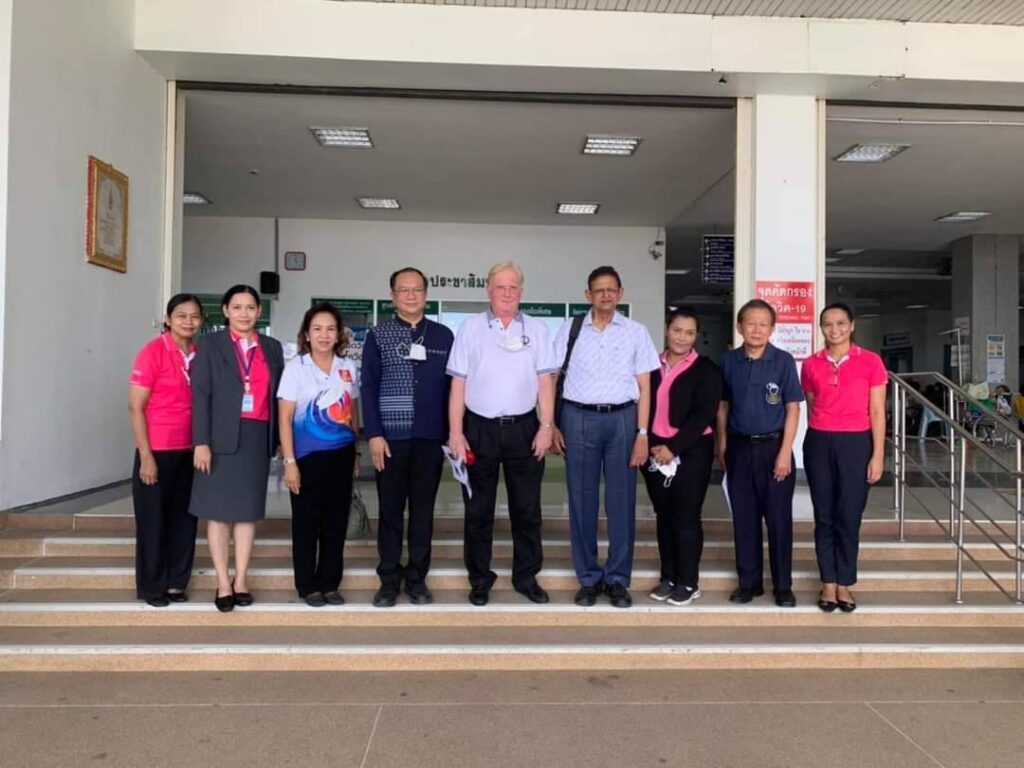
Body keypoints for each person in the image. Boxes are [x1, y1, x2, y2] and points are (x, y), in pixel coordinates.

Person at [447, 262, 558, 606]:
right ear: (489, 290)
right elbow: (458, 384)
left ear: (521, 291)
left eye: (513, 287)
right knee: (478, 511)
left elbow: (545, 382)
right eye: (500, 287)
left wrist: (546, 426)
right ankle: (480, 579)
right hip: (478, 429)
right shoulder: (470, 328)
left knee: (527, 510)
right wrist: (455, 432)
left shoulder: (537, 329)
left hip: (524, 429)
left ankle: (526, 577)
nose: (507, 293)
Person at [551, 266, 659, 608]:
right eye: (599, 290)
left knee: (621, 501)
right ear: (588, 295)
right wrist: (551, 424)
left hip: (623, 419)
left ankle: (617, 579)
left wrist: (643, 433)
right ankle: (587, 578)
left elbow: (645, 387)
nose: (606, 295)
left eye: (612, 289)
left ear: (621, 293)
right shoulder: (571, 329)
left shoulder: (636, 332)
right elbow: (552, 378)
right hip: (578, 417)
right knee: (581, 499)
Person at [361, 268, 454, 608]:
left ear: (426, 295)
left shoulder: (443, 336)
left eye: (417, 290)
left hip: (430, 438)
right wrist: (374, 434)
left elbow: (453, 389)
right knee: (390, 510)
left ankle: (416, 579)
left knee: (422, 511)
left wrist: (451, 434)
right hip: (390, 439)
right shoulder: (377, 335)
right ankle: (388, 580)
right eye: (404, 290)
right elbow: (368, 387)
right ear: (393, 296)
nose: (411, 295)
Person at [190, 285, 284, 612]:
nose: (244, 313)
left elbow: (279, 396)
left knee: (247, 513)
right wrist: (201, 442)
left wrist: (279, 441)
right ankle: (222, 581)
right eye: (237, 307)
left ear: (259, 312)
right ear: (226, 311)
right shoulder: (210, 344)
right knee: (218, 514)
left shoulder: (271, 347)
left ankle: (241, 579)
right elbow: (200, 394)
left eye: (250, 307)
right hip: (218, 439)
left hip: (256, 437)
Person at [716, 299, 803, 608]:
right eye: (750, 323)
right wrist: (722, 445)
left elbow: (793, 408)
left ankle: (783, 586)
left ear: (772, 328)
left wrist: (785, 453)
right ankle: (748, 584)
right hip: (739, 448)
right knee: (744, 519)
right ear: (740, 327)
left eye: (763, 324)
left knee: (779, 521)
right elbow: (722, 407)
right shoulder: (728, 361)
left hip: (774, 448)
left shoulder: (783, 361)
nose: (756, 329)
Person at [801, 303, 887, 613]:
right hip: (819, 442)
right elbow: (812, 404)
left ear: (852, 325)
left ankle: (844, 583)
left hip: (856, 443)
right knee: (824, 515)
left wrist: (878, 455)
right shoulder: (811, 364)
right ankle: (827, 582)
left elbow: (877, 411)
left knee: (849, 516)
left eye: (840, 323)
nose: (834, 329)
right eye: (827, 324)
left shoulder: (871, 362)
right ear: (821, 328)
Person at [277, 303, 360, 607]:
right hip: (306, 457)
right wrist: (289, 462)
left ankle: (330, 583)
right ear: (307, 335)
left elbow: (352, 411)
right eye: (317, 329)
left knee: (336, 522)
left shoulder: (348, 367)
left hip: (342, 455)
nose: (324, 335)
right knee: (306, 523)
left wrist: (356, 452)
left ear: (338, 334)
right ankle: (307, 585)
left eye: (330, 329)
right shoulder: (295, 368)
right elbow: (285, 418)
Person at [127, 294, 204, 607]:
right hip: (157, 449)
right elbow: (135, 406)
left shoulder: (200, 354)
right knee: (153, 520)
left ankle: (176, 582)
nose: (188, 321)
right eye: (181, 315)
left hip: (190, 449)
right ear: (168, 319)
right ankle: (152, 587)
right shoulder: (152, 352)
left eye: (195, 316)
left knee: (185, 519)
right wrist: (146, 457)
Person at [641, 307, 722, 607]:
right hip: (654, 450)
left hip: (691, 451)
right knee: (664, 515)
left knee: (686, 516)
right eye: (677, 330)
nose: (682, 338)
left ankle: (688, 582)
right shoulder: (651, 365)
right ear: (667, 329)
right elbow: (643, 406)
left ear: (696, 336)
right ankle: (669, 577)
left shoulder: (706, 370)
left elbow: (703, 415)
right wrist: (653, 444)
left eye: (689, 332)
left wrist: (673, 448)